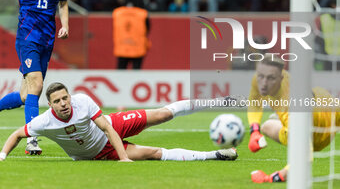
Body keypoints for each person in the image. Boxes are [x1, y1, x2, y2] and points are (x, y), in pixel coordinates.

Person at [0, 82, 238, 162]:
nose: (63, 103)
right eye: (57, 101)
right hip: (95, 154)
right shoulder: (43, 121)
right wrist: (2, 155)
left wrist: (123, 158)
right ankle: (214, 155)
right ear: (50, 105)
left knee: (163, 114)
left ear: (70, 96)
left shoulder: (82, 102)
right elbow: (17, 134)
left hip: (110, 126)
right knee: (154, 153)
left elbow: (106, 126)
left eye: (65, 98)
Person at [0, 0, 69, 155]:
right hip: (27, 38)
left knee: (24, 95)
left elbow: (64, 3)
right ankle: (31, 140)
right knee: (37, 85)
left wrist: (65, 25)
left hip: (47, 40)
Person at [247, 54, 339, 183]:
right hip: (303, 121)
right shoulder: (259, 80)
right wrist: (254, 130)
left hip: (326, 122)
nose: (264, 83)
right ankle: (283, 125)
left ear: (281, 78)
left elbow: (305, 157)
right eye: (260, 76)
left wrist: (272, 177)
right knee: (266, 126)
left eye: (271, 78)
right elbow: (255, 102)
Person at [113, 0, 150, 69]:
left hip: (121, 48)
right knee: (136, 74)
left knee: (120, 74)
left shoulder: (117, 13)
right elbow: (147, 29)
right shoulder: (142, 13)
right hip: (138, 48)